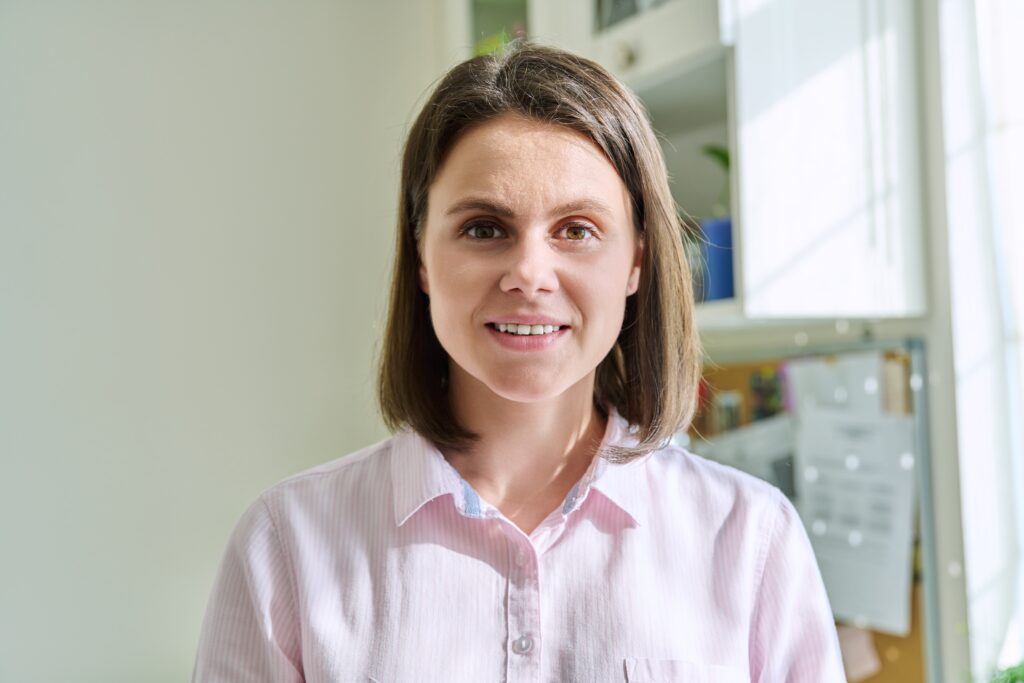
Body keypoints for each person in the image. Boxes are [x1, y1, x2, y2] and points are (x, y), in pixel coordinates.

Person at [192, 42, 846, 682]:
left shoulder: (753, 541)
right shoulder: (287, 544)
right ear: (421, 256)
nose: (530, 273)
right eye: (484, 227)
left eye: (578, 230)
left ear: (638, 261)